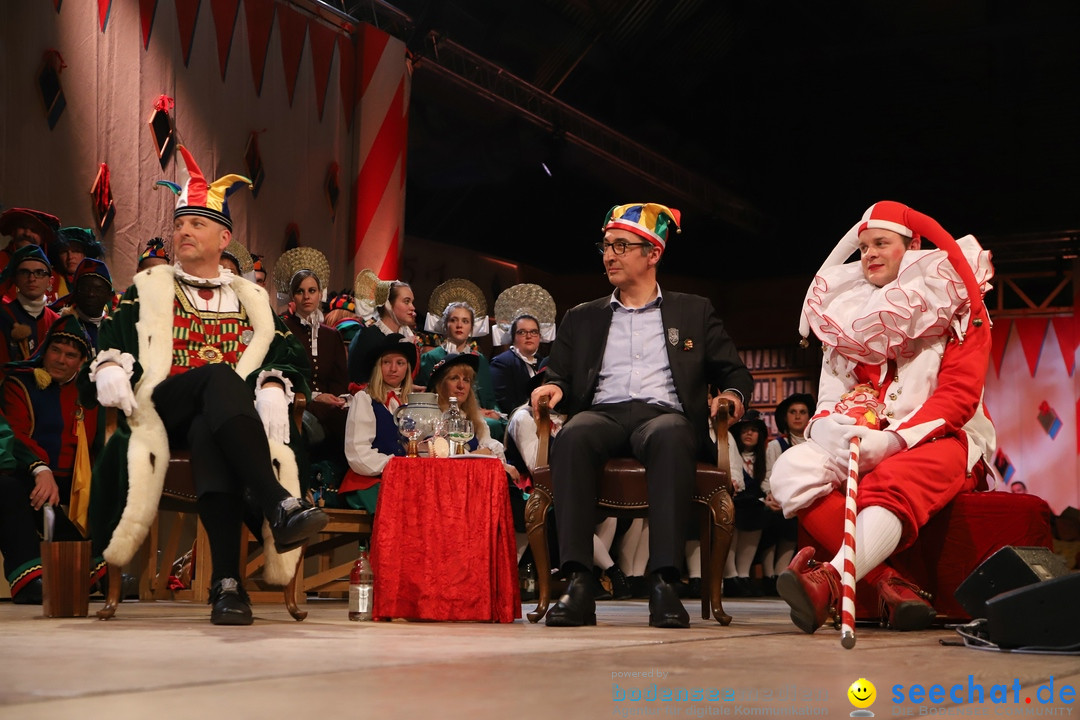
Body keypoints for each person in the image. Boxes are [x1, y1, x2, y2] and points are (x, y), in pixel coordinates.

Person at [89, 146, 328, 625]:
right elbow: (111, 339)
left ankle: (227, 587)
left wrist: (275, 385)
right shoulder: (148, 286)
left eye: (195, 225)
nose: (182, 232)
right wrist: (110, 366)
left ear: (224, 238)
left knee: (208, 433)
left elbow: (288, 357)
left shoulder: (252, 299)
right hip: (159, 407)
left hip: (219, 422)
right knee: (218, 377)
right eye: (179, 225)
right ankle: (277, 501)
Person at [770, 201, 995, 634]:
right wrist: (825, 429)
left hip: (945, 440)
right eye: (863, 246)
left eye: (881, 243)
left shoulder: (957, 302)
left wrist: (894, 442)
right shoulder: (845, 317)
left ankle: (831, 580)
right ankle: (889, 583)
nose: (869, 253)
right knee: (790, 470)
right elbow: (826, 403)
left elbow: (958, 398)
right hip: (862, 439)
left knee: (892, 479)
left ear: (912, 247)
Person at [530, 202, 752, 628]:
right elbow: (557, 372)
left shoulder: (693, 310)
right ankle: (578, 581)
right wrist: (554, 386)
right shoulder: (582, 316)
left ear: (653, 254)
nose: (609, 255)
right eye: (606, 246)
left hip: (663, 415)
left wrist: (732, 395)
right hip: (603, 413)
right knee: (573, 435)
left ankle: (664, 582)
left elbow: (734, 371)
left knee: (671, 435)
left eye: (621, 246)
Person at [0, 315, 100, 604]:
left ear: (81, 361)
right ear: (45, 351)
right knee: (19, 491)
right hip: (30, 472)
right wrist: (39, 468)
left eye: (70, 355)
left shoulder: (91, 391)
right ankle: (31, 577)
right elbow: (15, 434)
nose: (60, 359)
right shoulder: (20, 383)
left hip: (78, 477)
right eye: (55, 350)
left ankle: (100, 568)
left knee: (112, 487)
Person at [276, 248, 349, 464]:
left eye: (312, 290)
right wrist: (315, 397)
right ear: (293, 295)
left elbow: (339, 380)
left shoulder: (331, 335)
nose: (306, 297)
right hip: (295, 403)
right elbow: (281, 374)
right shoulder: (282, 328)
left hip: (330, 408)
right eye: (300, 291)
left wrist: (335, 400)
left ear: (320, 293)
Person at [338, 332, 417, 512]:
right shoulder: (364, 399)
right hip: (370, 480)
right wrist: (395, 465)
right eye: (386, 362)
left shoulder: (412, 404)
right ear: (378, 367)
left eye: (400, 363)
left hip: (405, 479)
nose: (393, 369)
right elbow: (358, 452)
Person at [418, 295, 504, 439]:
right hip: (443, 415)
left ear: (471, 328)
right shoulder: (431, 357)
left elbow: (489, 399)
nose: (459, 325)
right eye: (454, 320)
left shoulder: (479, 359)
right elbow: (428, 395)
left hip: (477, 413)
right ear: (445, 325)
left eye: (465, 321)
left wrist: (494, 412)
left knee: (496, 423)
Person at [757, 392, 812, 595]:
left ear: (810, 417)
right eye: (792, 412)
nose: (797, 416)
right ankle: (770, 576)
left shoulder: (814, 446)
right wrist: (770, 497)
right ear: (784, 417)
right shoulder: (775, 445)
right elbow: (767, 477)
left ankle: (783, 575)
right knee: (773, 516)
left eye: (802, 412)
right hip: (779, 500)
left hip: (806, 500)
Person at [722, 410, 768, 597]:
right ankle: (730, 575)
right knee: (735, 514)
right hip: (734, 501)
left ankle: (743, 574)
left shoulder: (762, 460)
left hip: (754, 505)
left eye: (754, 430)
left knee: (759, 511)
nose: (749, 434)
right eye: (745, 430)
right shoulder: (732, 454)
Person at [347, 270, 418, 383]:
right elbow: (358, 380)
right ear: (388, 304)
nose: (412, 307)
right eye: (406, 301)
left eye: (412, 302)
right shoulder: (366, 337)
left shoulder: (407, 336)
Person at [0, 245, 61, 366]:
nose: (32, 278)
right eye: (24, 272)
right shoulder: (3, 317)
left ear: (50, 281)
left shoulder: (57, 322)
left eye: (39, 272)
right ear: (15, 279)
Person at [50, 258, 115, 351]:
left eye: (98, 289)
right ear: (75, 292)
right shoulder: (62, 324)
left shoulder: (113, 330)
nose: (91, 294)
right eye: (85, 288)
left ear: (110, 296)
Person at [51, 227, 105, 298]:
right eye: (64, 251)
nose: (70, 257)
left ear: (85, 254)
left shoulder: (99, 280)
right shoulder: (50, 280)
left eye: (76, 251)